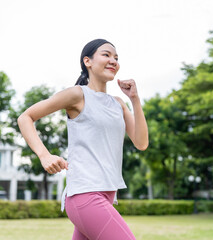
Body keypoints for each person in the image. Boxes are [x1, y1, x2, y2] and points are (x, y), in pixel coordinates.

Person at [17, 39, 148, 240]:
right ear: (87, 61)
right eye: (106, 55)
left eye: (116, 58)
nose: (113, 60)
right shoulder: (77, 95)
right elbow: (25, 117)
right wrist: (44, 155)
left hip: (106, 195)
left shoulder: (118, 104)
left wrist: (135, 99)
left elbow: (141, 142)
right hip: (85, 196)